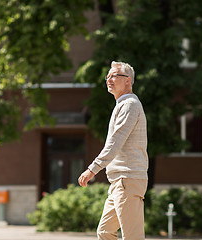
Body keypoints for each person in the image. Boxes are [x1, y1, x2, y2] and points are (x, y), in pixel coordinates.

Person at [78, 61, 149, 240]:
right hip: (119, 182)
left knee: (133, 237)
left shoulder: (130, 105)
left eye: (114, 75)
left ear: (128, 81)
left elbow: (115, 142)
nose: (109, 79)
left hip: (128, 179)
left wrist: (92, 169)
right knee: (104, 232)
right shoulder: (121, 105)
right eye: (108, 76)